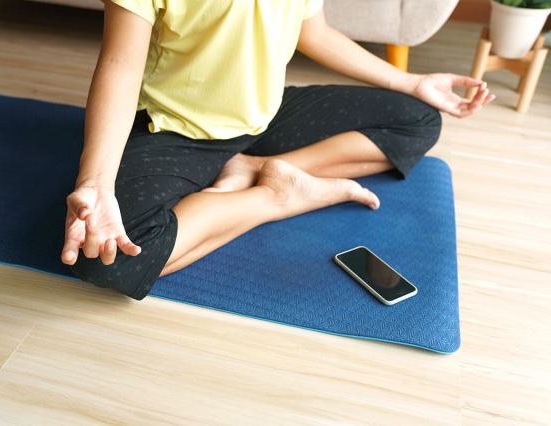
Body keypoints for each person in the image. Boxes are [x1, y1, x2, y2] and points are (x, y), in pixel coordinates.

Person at [60, 0, 494, 300]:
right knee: (109, 260)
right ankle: (276, 196)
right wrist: (95, 181)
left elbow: (316, 34)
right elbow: (120, 64)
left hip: (263, 117)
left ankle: (256, 167)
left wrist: (412, 82)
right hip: (176, 130)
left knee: (418, 118)